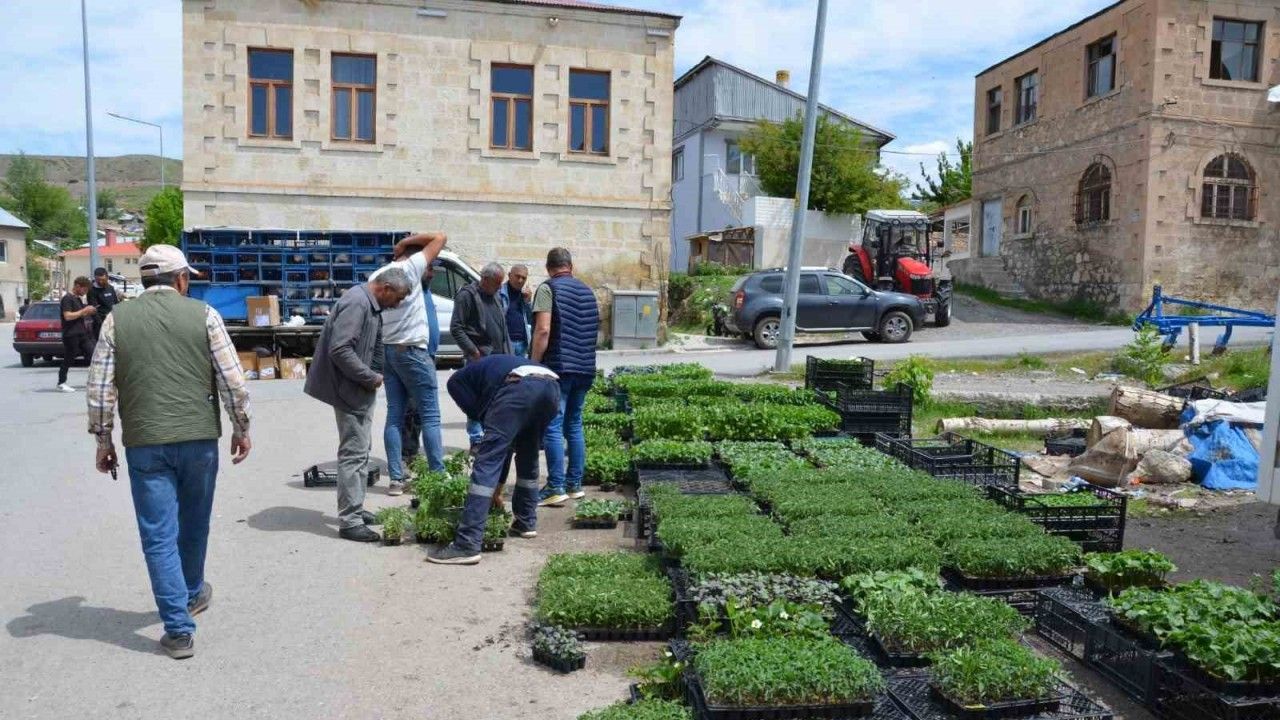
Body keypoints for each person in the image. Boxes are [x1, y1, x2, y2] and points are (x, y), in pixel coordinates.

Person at [85, 245, 253, 660]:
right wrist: (241, 427)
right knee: (194, 522)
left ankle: (179, 630)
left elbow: (100, 390)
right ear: (180, 279)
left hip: (145, 442)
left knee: (158, 534)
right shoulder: (204, 315)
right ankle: (191, 592)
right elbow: (233, 380)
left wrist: (104, 440)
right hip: (198, 439)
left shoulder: (115, 321)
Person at [305, 268, 415, 542]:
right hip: (349, 390)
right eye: (398, 298)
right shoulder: (357, 302)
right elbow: (340, 349)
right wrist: (370, 377)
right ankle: (350, 520)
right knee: (354, 453)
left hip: (358, 389)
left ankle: (355, 507)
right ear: (386, 288)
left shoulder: (368, 302)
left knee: (360, 450)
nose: (397, 304)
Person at [429, 354, 560, 565]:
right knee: (528, 453)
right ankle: (526, 522)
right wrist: (498, 486)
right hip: (550, 387)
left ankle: (467, 543)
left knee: (486, 461)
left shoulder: (457, 383)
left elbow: (491, 436)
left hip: (519, 387)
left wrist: (495, 486)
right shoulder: (489, 372)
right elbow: (506, 446)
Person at [375, 232, 449, 496]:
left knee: (394, 414)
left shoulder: (379, 276)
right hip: (414, 351)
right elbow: (440, 236)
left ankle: (396, 479)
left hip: (389, 351)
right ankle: (438, 476)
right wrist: (405, 244)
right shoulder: (411, 266)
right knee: (430, 415)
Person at [531, 248, 600, 506]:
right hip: (584, 367)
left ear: (549, 268)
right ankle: (574, 484)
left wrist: (533, 364)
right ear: (571, 266)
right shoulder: (587, 291)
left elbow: (543, 330)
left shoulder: (548, 289)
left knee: (553, 425)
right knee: (574, 424)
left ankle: (555, 486)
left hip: (559, 367)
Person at [450, 262, 512, 446]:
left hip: (499, 358)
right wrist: (473, 351)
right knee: (477, 400)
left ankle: (492, 436)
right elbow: (456, 327)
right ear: (485, 279)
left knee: (495, 400)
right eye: (497, 283)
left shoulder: (495, 296)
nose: (500, 287)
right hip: (479, 359)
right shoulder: (467, 296)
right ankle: (476, 440)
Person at [57, 277, 98, 393]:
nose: (85, 293)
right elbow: (68, 316)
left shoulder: (78, 299)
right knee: (69, 358)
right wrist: (84, 311)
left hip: (82, 333)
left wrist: (90, 311)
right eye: (84, 290)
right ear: (77, 286)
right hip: (71, 334)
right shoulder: (67, 299)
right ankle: (61, 382)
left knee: (93, 355)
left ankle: (94, 381)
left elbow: (80, 315)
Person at [498, 264, 533, 357]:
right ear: (509, 275)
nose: (520, 280)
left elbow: (531, 320)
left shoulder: (524, 295)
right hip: (506, 343)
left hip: (522, 344)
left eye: (523, 278)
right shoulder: (500, 292)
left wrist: (528, 302)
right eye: (517, 276)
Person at [87, 267, 120, 338]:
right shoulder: (92, 290)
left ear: (107, 277)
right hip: (101, 324)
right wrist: (102, 324)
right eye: (98, 280)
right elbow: (93, 310)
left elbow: (116, 303)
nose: (100, 282)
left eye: (103, 280)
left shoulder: (110, 288)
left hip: (113, 322)